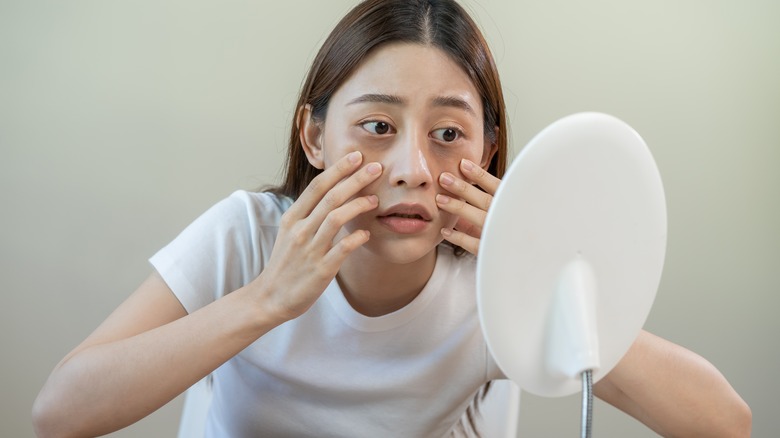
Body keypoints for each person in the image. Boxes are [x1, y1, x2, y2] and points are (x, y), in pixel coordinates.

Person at [32, 0, 751, 437]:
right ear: (315, 138)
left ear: (490, 149)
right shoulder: (248, 236)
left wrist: (537, 275)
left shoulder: (491, 286)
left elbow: (725, 424)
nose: (412, 167)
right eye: (377, 125)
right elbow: (59, 414)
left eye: (448, 134)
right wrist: (264, 301)